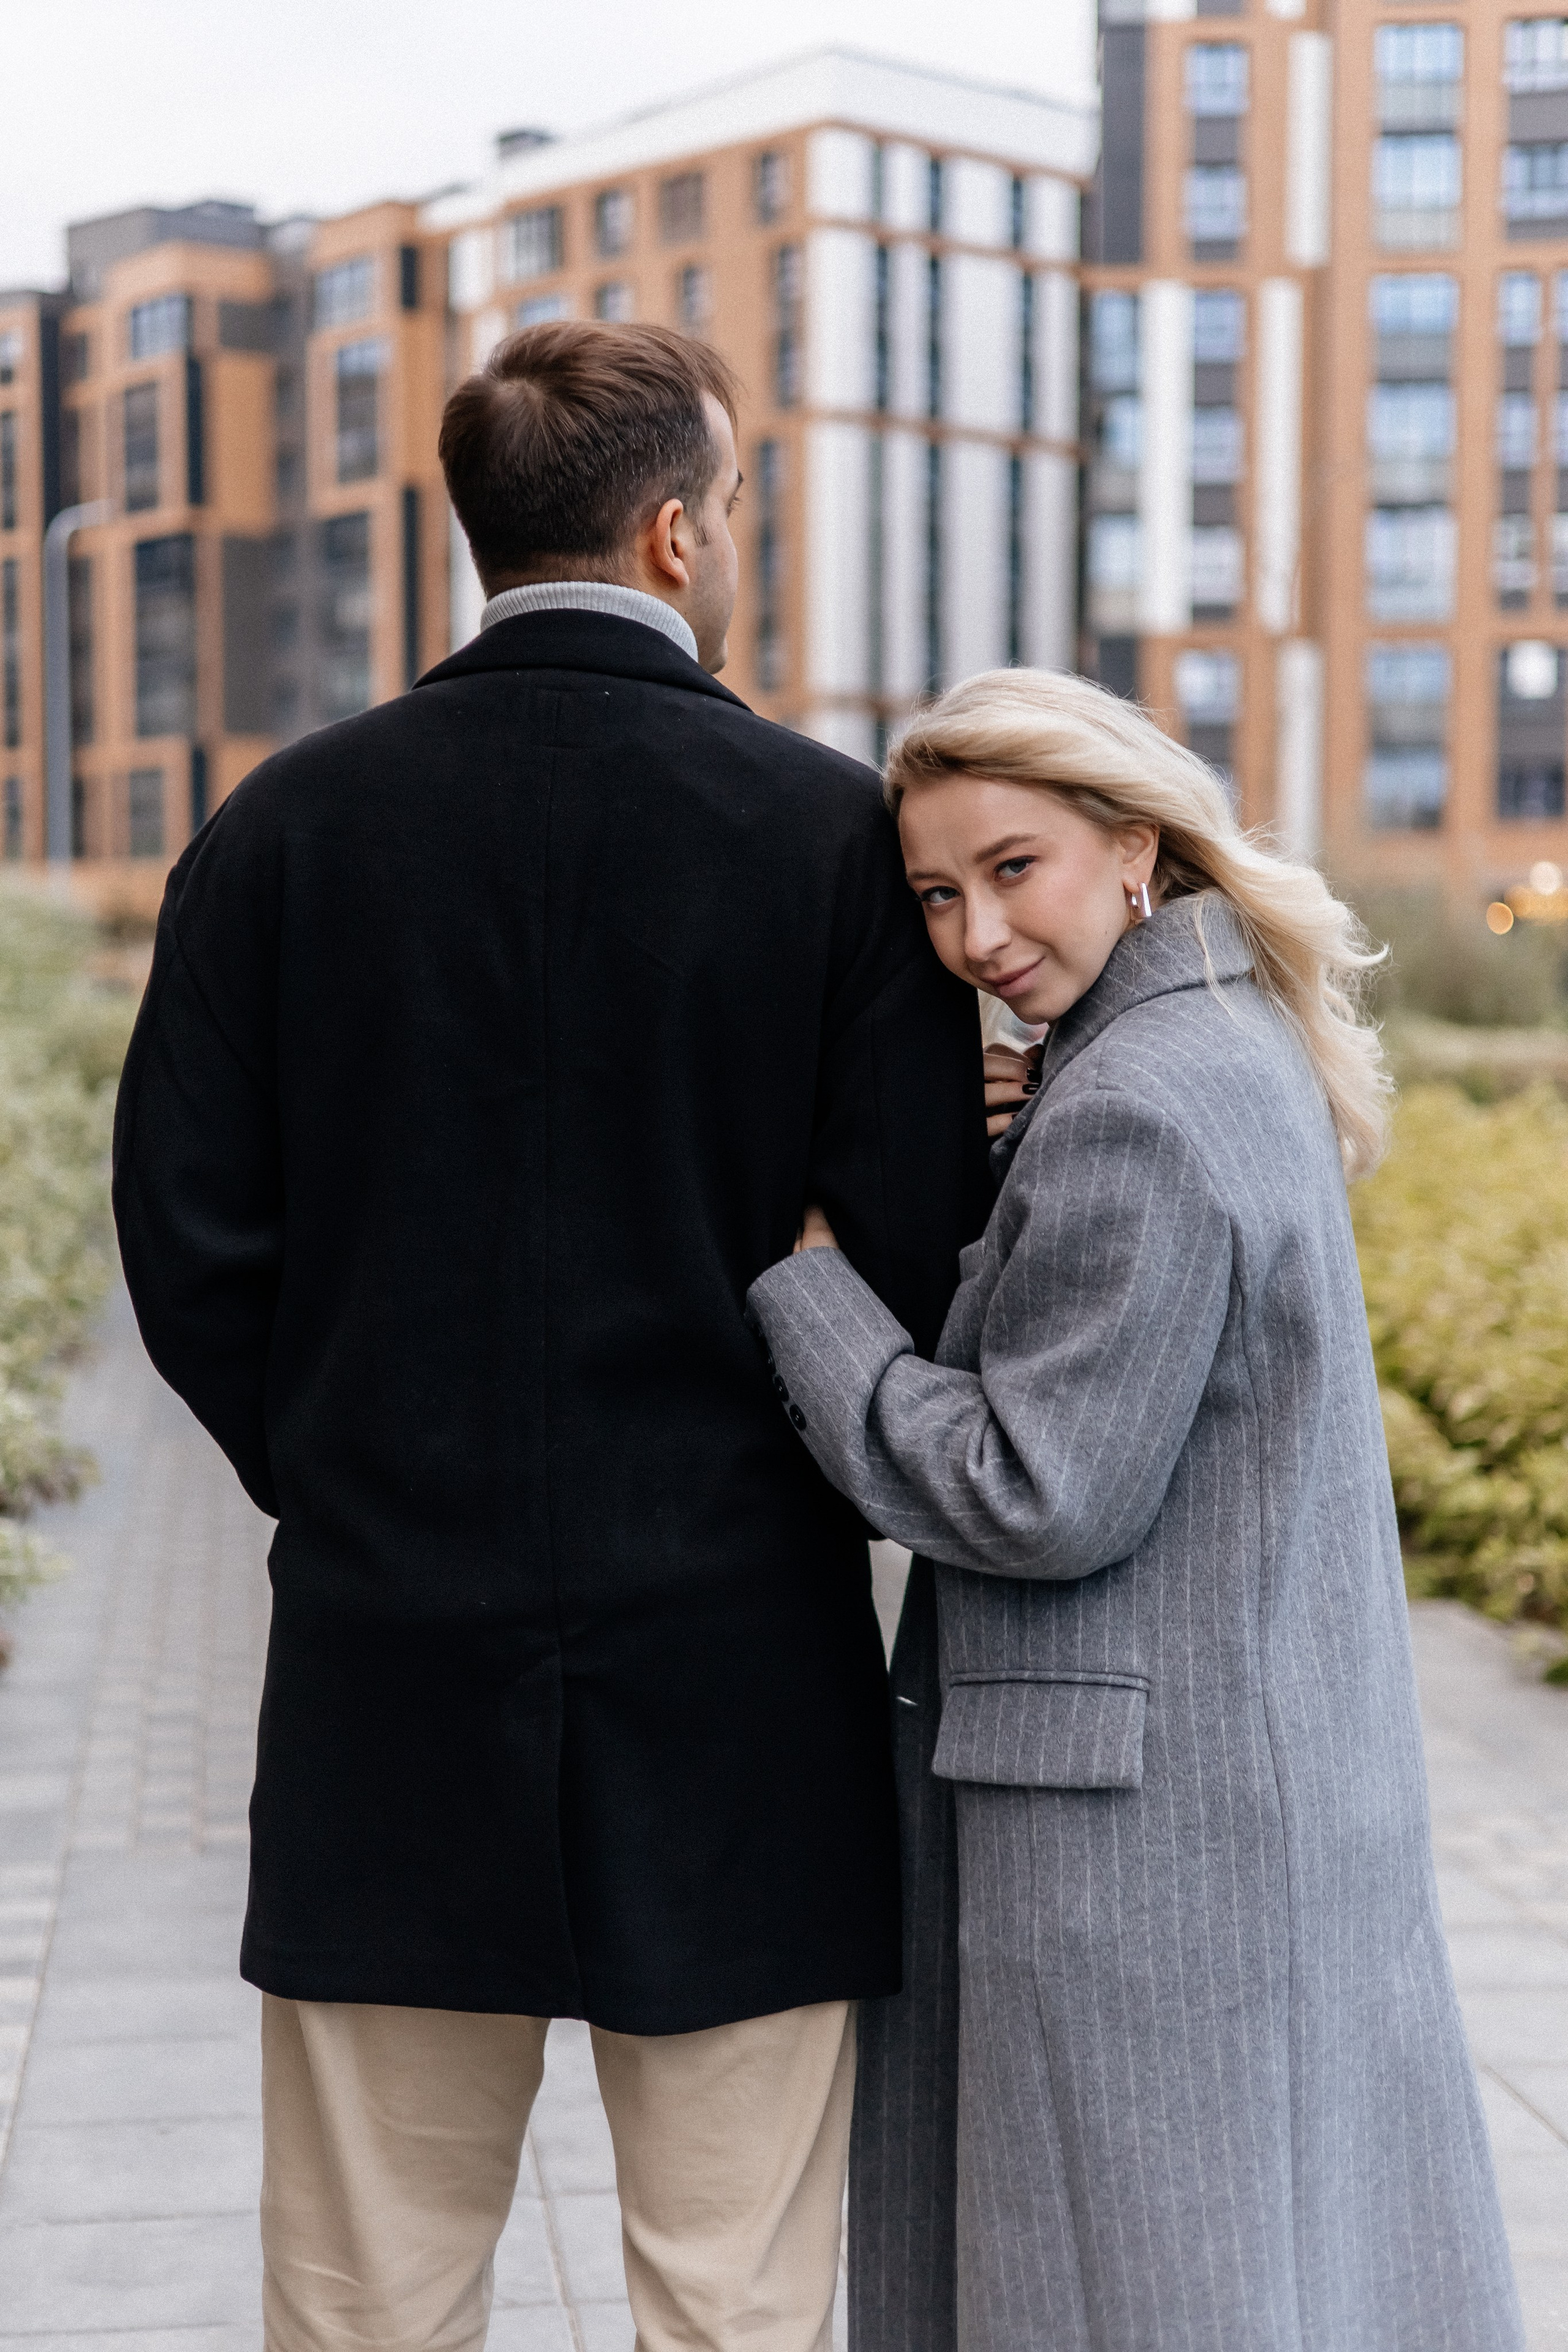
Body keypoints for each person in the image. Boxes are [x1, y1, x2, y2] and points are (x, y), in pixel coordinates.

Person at [112, 321, 992, 2352]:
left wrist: (341, 1458)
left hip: (381, 1648)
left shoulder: (280, 834)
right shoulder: (825, 839)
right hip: (740, 1664)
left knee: (365, 2295)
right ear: (679, 532)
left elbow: (188, 1239)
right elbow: (924, 1258)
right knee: (735, 2298)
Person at [747, 669, 1525, 2352]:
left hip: (1135, 1843)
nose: (971, 936)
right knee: (1256, 2265)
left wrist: (813, 1297)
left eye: (1011, 869)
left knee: (1128, 2284)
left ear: (1135, 849)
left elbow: (1039, 1492)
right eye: (939, 895)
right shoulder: (1213, 1049)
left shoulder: (1135, 1109)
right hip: (1250, 1785)